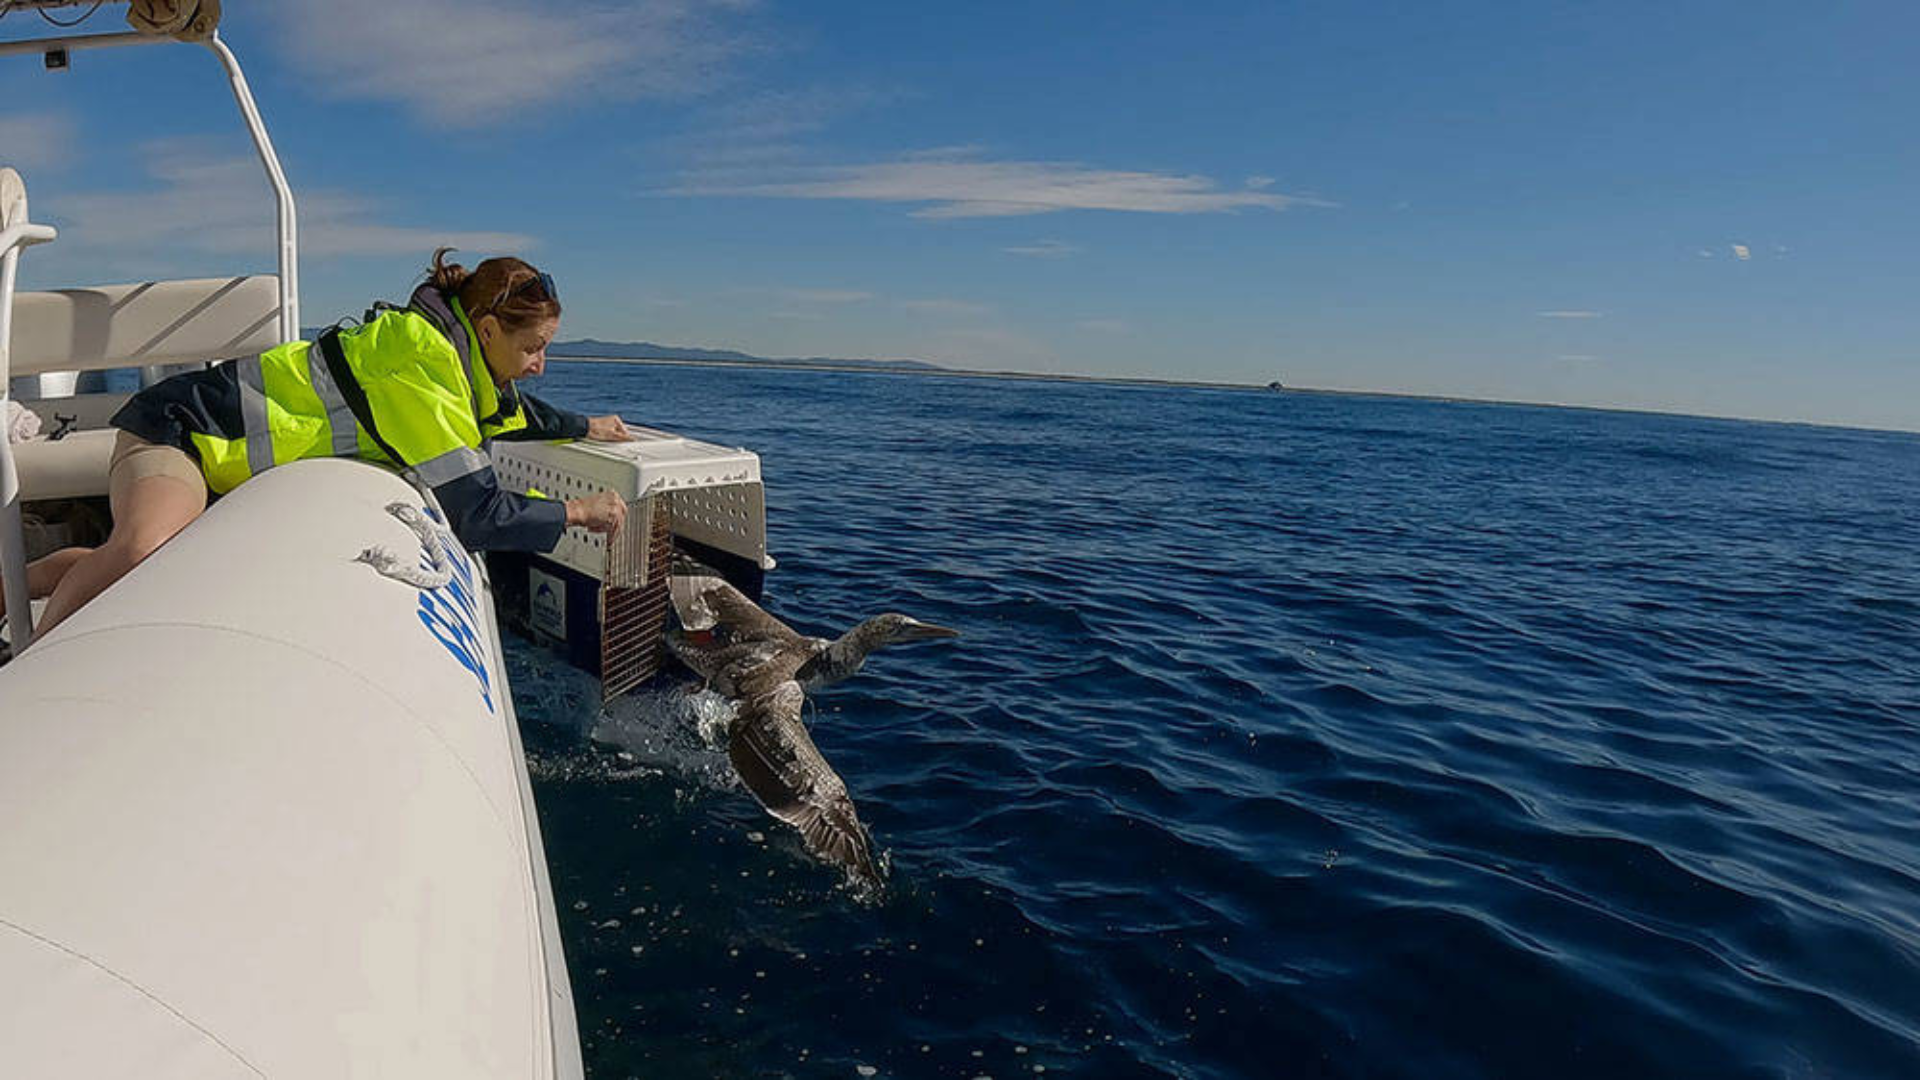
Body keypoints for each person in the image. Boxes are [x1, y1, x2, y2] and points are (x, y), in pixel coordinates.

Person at [22, 248, 634, 635]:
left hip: (213, 460)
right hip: (181, 432)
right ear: (488, 329)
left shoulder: (447, 362)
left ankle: (19, 582)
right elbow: (475, 515)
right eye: (534, 348)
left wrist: (585, 427)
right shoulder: (421, 373)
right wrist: (580, 512)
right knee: (144, 551)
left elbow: (510, 410)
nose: (541, 364)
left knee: (154, 555)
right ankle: (26, 668)